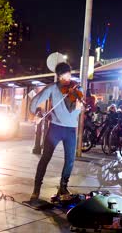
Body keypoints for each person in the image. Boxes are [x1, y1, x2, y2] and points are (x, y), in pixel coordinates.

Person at [29, 62, 83, 200]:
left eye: (70, 74)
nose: (69, 77)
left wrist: (78, 105)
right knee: (45, 157)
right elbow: (35, 99)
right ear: (59, 76)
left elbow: (78, 109)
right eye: (66, 75)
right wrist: (34, 113)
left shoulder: (76, 88)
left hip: (71, 129)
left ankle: (63, 187)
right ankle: (36, 188)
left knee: (70, 160)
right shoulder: (53, 88)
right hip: (55, 128)